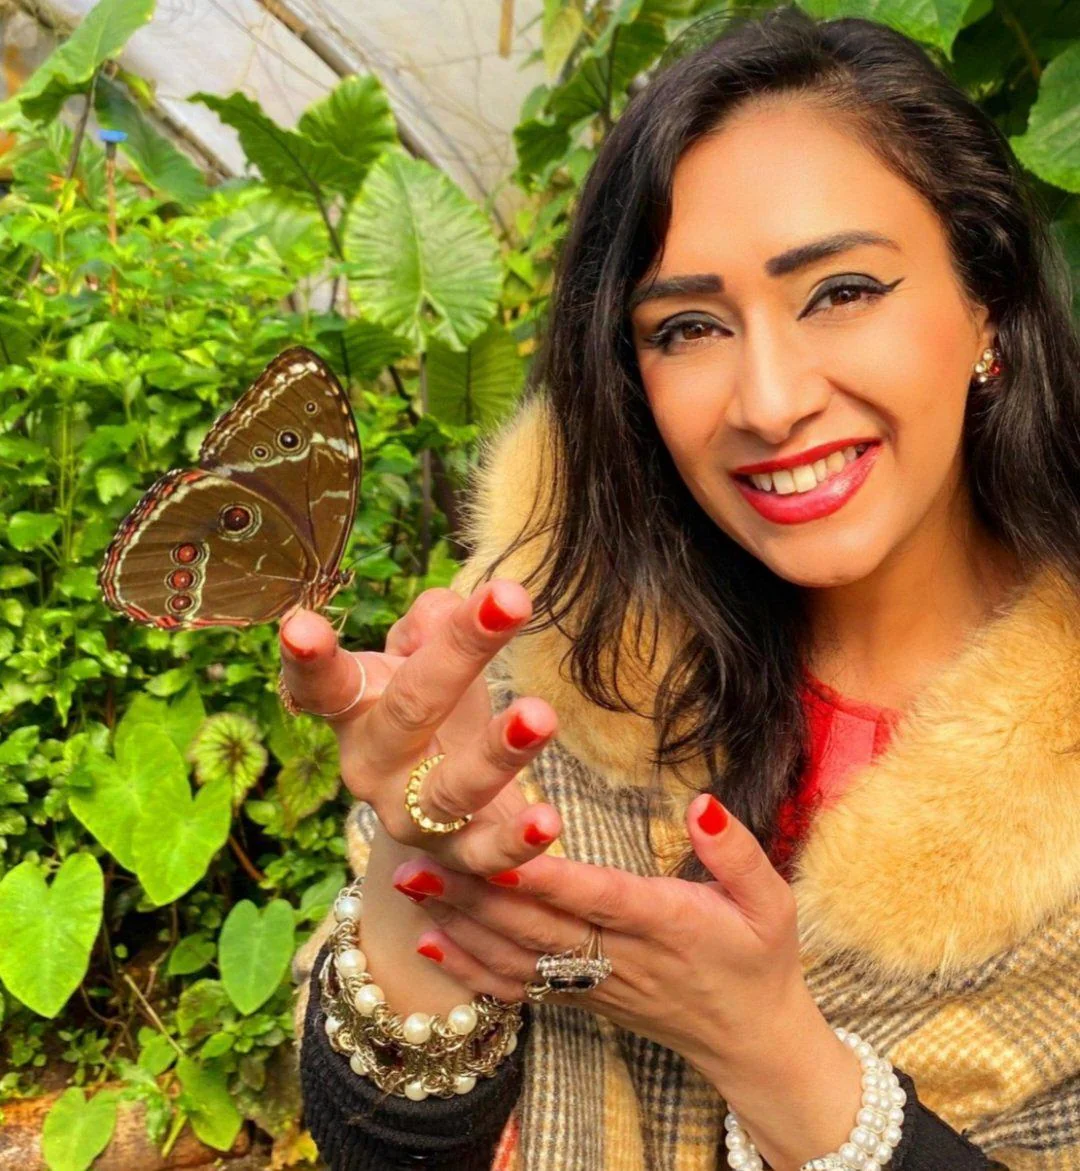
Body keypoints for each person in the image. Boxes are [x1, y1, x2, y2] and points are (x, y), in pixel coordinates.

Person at [282, 5, 1080, 1169]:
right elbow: (374, 1151)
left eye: (842, 291)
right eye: (690, 327)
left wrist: (772, 1054)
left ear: (986, 302)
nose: (770, 401)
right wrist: (422, 884)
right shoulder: (549, 640)